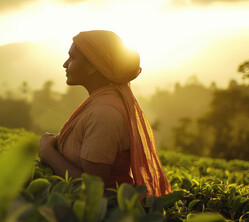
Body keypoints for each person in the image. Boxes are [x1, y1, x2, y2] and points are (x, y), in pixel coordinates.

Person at [38, 30, 171, 197]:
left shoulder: (105, 113)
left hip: (108, 212)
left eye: (72, 58)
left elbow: (93, 187)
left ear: (92, 65)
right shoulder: (102, 103)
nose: (65, 64)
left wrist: (47, 153)